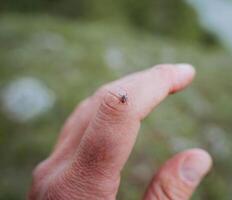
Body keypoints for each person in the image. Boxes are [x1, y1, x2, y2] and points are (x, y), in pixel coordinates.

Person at [28, 64, 212, 200]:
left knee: (117, 107)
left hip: (123, 101)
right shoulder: (122, 100)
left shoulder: (122, 99)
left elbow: (122, 102)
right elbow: (122, 102)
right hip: (122, 101)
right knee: (117, 107)